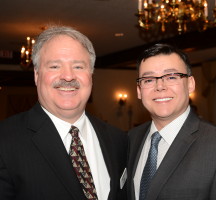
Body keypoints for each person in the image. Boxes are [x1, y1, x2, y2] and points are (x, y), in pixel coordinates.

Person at [0, 26, 127, 200]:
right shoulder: (5, 141)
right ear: (37, 75)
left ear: (91, 74)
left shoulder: (118, 140)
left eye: (78, 66)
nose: (68, 76)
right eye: (54, 66)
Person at [127, 44, 216, 200]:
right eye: (148, 80)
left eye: (171, 77)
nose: (160, 86)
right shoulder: (131, 138)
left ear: (190, 84)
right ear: (139, 90)